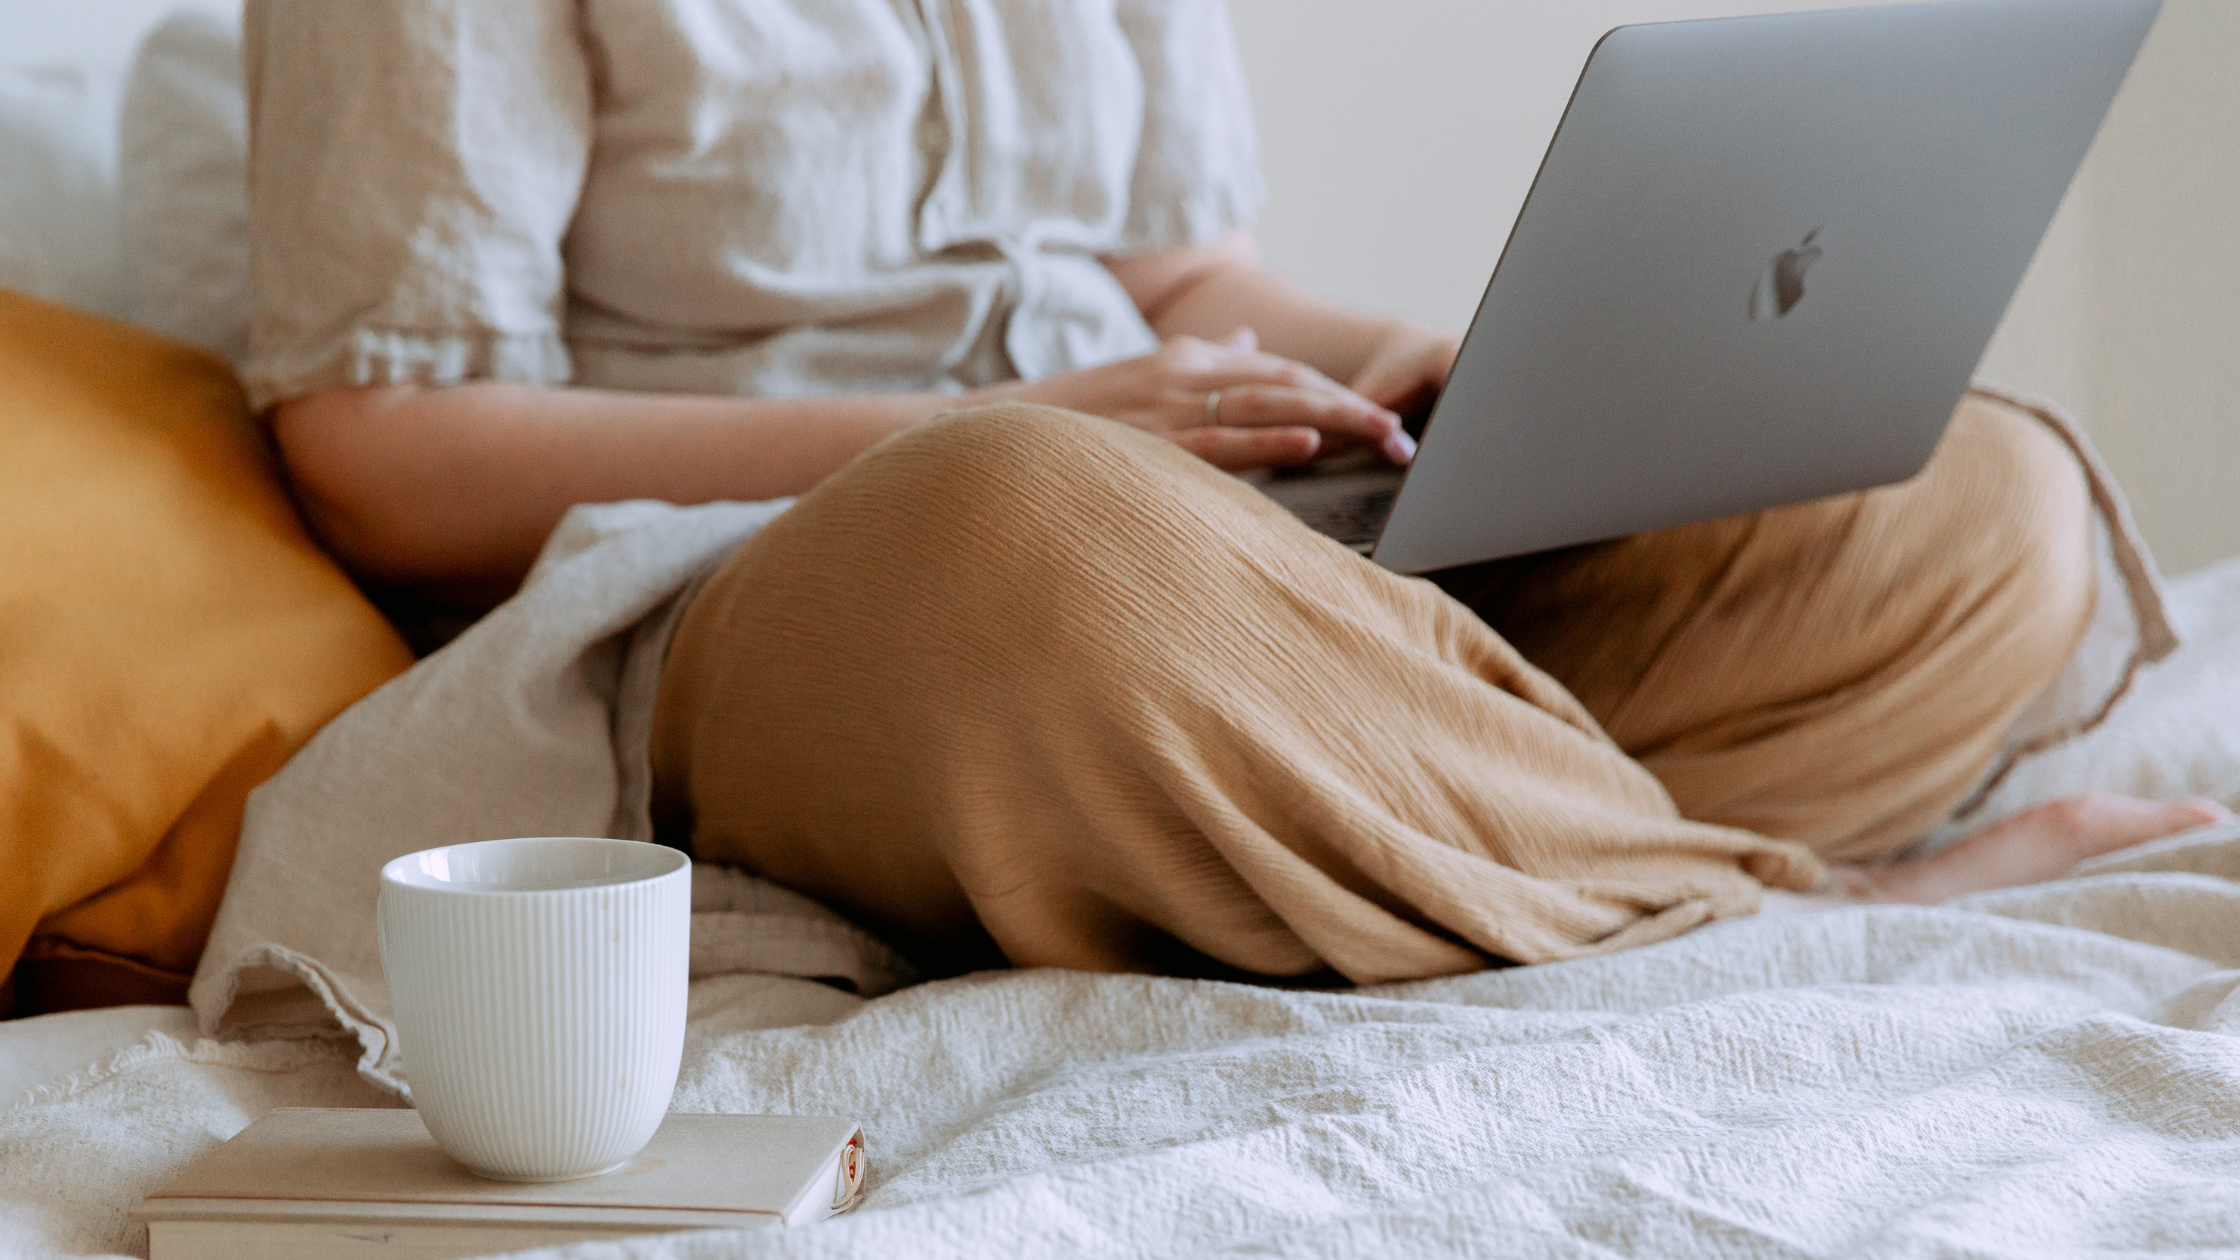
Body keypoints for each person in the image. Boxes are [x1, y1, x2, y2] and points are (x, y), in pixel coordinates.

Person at [242, 0, 2223, 982]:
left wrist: (1414, 365)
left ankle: (1378, 829)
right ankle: (1815, 911)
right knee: (1026, 523)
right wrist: (1048, 431)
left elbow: (1194, 274)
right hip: (817, 571)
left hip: (1193, 535)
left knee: (1971, 499)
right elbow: (383, 453)